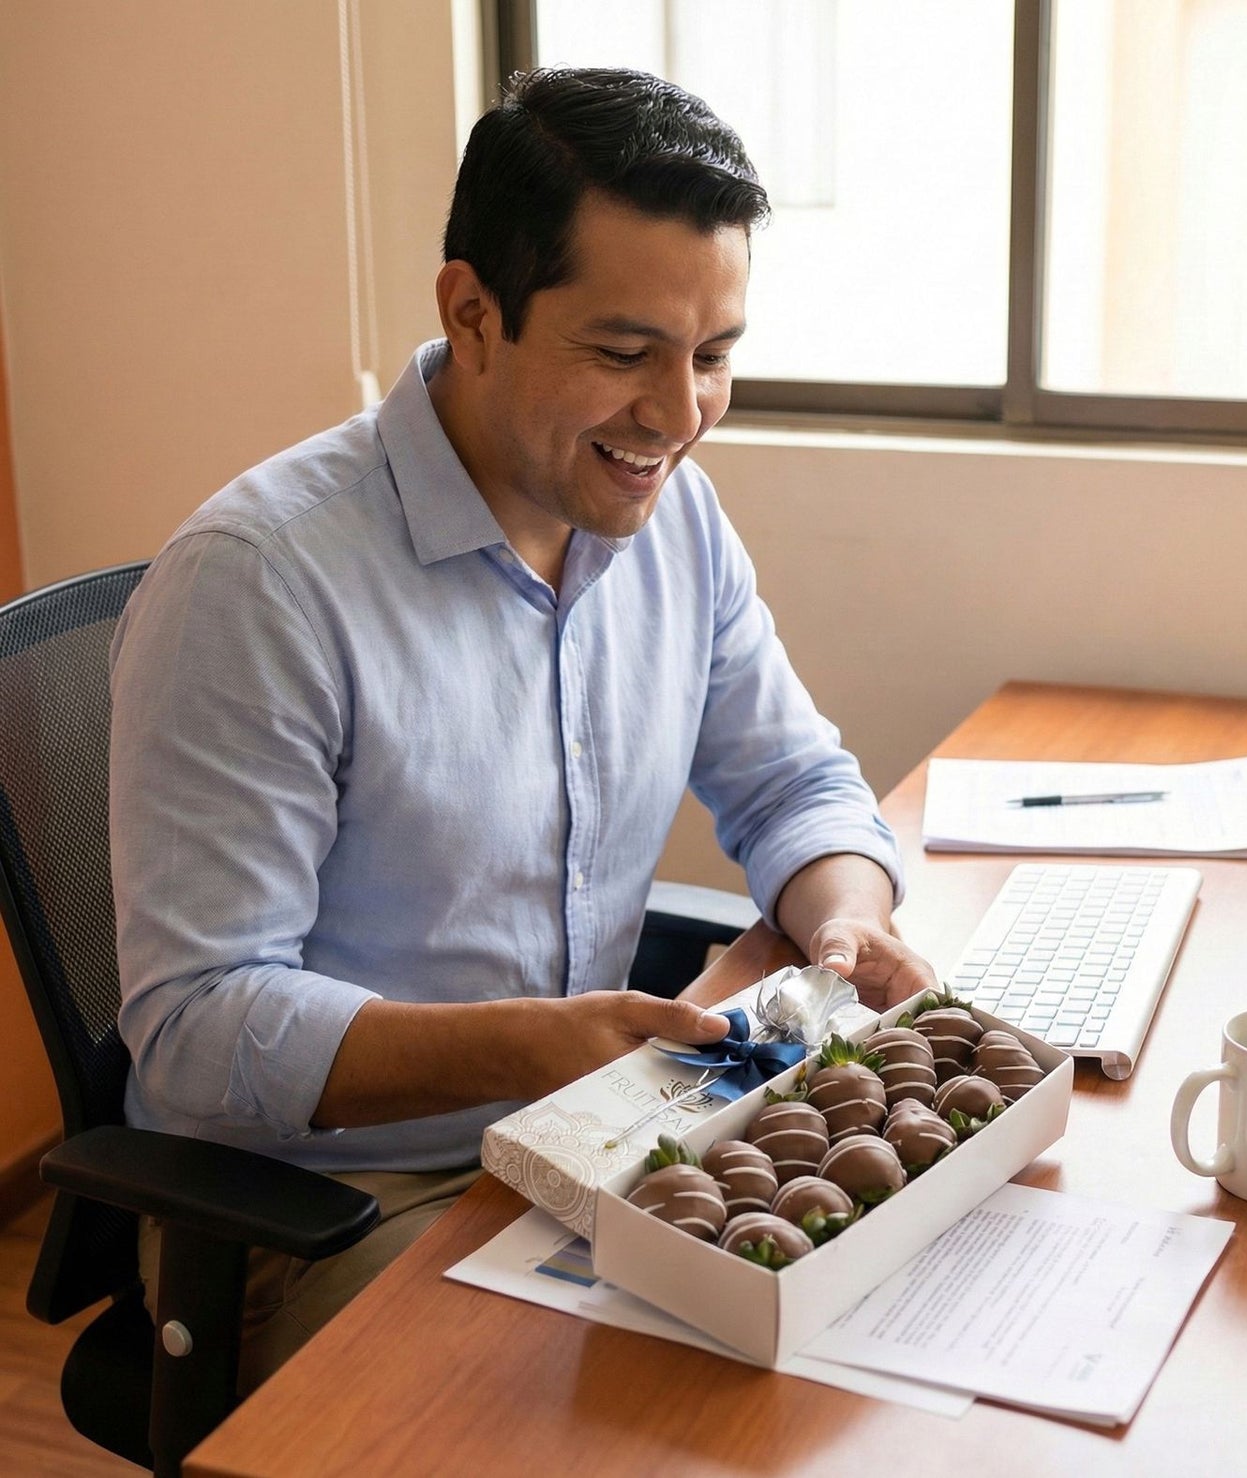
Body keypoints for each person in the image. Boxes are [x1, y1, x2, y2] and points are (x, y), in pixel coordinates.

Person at [110, 66, 937, 1387]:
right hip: (339, 1217)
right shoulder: (260, 581)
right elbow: (199, 1023)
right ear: (472, 311)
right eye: (624, 353)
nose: (678, 415)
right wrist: (530, 1041)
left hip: (592, 1140)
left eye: (713, 355)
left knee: (889, 1333)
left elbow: (793, 782)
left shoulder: (675, 522)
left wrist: (850, 916)